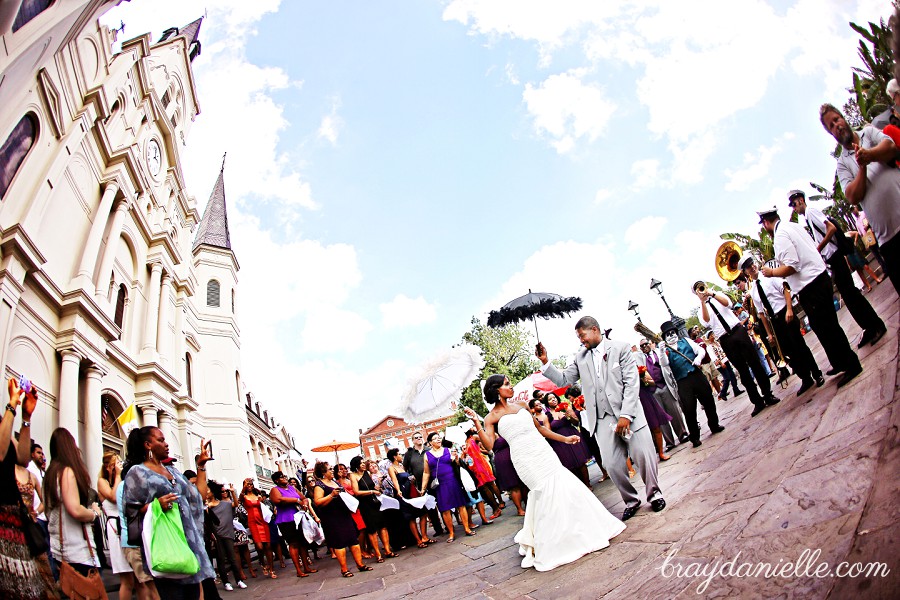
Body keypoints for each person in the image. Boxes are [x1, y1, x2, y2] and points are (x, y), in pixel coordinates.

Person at [464, 375, 625, 571]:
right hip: (524, 459)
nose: (511, 386)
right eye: (506, 384)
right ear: (496, 389)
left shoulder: (522, 405)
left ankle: (578, 530)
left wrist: (564, 440)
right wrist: (477, 423)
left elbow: (540, 429)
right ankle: (553, 542)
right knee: (544, 492)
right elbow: (489, 445)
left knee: (562, 483)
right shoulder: (491, 418)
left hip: (543, 451)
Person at [538, 316, 665, 521]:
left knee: (644, 455)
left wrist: (626, 414)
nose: (581, 340)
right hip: (602, 419)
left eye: (583, 335)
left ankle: (655, 494)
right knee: (612, 464)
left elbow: (632, 384)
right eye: (579, 337)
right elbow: (564, 380)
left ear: (595, 330)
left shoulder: (621, 348)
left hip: (629, 413)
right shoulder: (580, 357)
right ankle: (631, 500)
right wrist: (545, 362)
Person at [759, 207, 863, 388]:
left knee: (828, 327)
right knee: (821, 326)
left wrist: (772, 272)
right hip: (817, 280)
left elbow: (792, 266)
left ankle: (851, 364)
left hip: (811, 286)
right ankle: (839, 362)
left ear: (766, 222)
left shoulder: (781, 235)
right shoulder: (793, 226)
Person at [122, 427, 215, 600]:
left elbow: (198, 496)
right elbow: (131, 510)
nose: (166, 444)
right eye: (161, 440)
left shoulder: (173, 471)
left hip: (188, 544)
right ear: (148, 445)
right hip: (166, 544)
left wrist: (201, 466)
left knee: (194, 595)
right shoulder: (137, 472)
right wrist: (155, 505)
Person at [788, 189, 887, 348]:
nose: (794, 208)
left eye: (794, 204)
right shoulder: (808, 217)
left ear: (800, 200)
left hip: (835, 257)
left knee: (852, 294)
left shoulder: (811, 212)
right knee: (849, 296)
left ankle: (875, 325)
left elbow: (831, 228)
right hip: (832, 260)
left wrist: (819, 248)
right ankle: (868, 327)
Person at [820, 103, 900, 294]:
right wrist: (862, 166)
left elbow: (890, 146)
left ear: (843, 117)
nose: (836, 125)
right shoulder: (842, 164)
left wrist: (869, 155)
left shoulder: (869, 133)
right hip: (888, 240)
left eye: (836, 119)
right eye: (831, 125)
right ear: (831, 133)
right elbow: (852, 196)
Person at [1, 378, 57, 600]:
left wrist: (26, 416)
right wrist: (12, 405)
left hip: (13, 519)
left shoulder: (4, 419)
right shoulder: (6, 415)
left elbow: (23, 458)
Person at [741, 256, 824, 397]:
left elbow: (786, 289)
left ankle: (817, 374)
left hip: (785, 313)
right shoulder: (754, 290)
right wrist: (769, 334)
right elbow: (761, 314)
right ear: (745, 272)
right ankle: (805, 378)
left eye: (752, 264)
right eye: (748, 267)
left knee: (800, 346)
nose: (752, 267)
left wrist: (790, 309)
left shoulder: (769, 275)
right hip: (774, 322)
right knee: (788, 352)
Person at [696, 282, 779, 416]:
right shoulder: (701, 309)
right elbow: (706, 321)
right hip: (725, 339)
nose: (701, 291)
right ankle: (757, 401)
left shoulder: (717, 295)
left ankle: (768, 394)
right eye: (698, 290)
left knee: (755, 363)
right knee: (743, 371)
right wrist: (702, 301)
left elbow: (728, 303)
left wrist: (712, 294)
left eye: (701, 287)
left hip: (738, 330)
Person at [44, 428, 104, 579]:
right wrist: (94, 513)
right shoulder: (67, 472)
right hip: (77, 552)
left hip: (59, 550)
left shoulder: (49, 475)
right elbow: (75, 510)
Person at [657, 321, 724, 445]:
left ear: (676, 333)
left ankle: (714, 425)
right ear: (665, 338)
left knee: (708, 400)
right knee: (689, 410)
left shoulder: (686, 341)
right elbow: (664, 364)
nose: (671, 336)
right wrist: (661, 351)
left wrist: (698, 358)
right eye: (668, 335)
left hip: (696, 375)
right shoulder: (666, 350)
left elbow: (701, 350)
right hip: (683, 382)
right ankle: (694, 436)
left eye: (672, 333)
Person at [311, 462, 371, 578]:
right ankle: (344, 569)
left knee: (353, 540)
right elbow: (318, 502)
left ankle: (360, 564)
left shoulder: (335, 482)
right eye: (329, 469)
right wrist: (331, 495)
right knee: (340, 544)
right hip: (332, 518)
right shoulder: (319, 485)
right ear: (323, 472)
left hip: (344, 515)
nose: (332, 471)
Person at [418, 432, 475, 542]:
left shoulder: (448, 450)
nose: (438, 440)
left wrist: (457, 459)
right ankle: (451, 533)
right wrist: (423, 488)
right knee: (445, 509)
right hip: (440, 484)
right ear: (430, 442)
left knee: (461, 505)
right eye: (435, 439)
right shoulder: (427, 455)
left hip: (452, 480)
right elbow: (426, 472)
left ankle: (467, 528)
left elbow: (457, 464)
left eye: (439, 438)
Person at [98, 451, 139, 599]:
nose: (120, 466)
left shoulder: (123, 481)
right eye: (117, 463)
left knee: (138, 576)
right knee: (126, 578)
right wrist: (117, 476)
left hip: (127, 526)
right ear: (109, 467)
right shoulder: (102, 481)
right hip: (115, 528)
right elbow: (114, 497)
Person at [635, 339, 689, 450]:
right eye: (642, 346)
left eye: (646, 344)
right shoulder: (640, 359)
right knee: (661, 417)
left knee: (674, 411)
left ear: (650, 344)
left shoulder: (658, 353)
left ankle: (682, 434)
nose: (644, 346)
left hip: (664, 385)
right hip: (652, 390)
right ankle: (669, 441)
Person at [269, 471, 317, 577]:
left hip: (298, 517)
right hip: (286, 520)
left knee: (303, 543)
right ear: (276, 480)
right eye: (281, 477)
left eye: (285, 476)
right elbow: (279, 500)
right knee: (293, 543)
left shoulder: (292, 488)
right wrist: (296, 500)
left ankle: (306, 567)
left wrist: (304, 503)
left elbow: (303, 498)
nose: (284, 478)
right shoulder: (275, 490)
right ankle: (298, 570)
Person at [349, 456, 396, 561]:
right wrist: (372, 492)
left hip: (375, 502)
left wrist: (378, 486)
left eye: (363, 462)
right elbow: (356, 492)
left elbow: (372, 486)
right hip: (365, 505)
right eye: (361, 463)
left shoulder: (366, 473)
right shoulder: (353, 476)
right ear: (356, 465)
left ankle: (388, 550)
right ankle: (378, 554)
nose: (363, 464)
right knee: (372, 529)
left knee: (382, 526)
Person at [541, 393, 591, 486]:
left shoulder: (566, 408)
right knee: (569, 465)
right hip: (560, 442)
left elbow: (576, 422)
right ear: (546, 402)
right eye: (550, 399)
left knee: (581, 462)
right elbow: (548, 432)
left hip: (572, 436)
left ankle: (588, 484)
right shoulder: (547, 416)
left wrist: (569, 416)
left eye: (554, 398)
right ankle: (579, 486)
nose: (553, 400)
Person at [205, 481, 247, 591]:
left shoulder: (226, 504)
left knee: (232, 558)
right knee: (221, 559)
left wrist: (233, 493)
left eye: (208, 490)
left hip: (228, 534)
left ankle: (239, 580)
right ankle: (226, 582)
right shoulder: (207, 507)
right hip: (216, 535)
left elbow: (236, 504)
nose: (206, 492)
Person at [402, 430, 445, 536]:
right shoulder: (409, 454)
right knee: (430, 508)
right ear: (412, 441)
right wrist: (409, 475)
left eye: (420, 437)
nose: (419, 438)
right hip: (421, 484)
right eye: (416, 438)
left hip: (434, 481)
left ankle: (448, 526)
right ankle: (438, 529)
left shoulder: (429, 450)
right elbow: (405, 468)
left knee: (442, 503)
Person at [387, 448, 432, 547]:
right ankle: (418, 541)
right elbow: (394, 480)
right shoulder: (391, 468)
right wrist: (398, 490)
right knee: (410, 517)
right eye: (399, 454)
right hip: (403, 494)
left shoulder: (402, 466)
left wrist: (412, 480)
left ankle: (424, 536)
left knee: (423, 512)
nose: (401, 456)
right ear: (394, 456)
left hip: (412, 492)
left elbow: (407, 478)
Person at [239, 478, 275, 578]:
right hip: (253, 522)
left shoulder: (258, 495)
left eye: (250, 484)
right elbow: (240, 499)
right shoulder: (244, 496)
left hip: (262, 521)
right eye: (247, 484)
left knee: (267, 545)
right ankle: (263, 563)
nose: (249, 486)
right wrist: (243, 487)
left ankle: (271, 569)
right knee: (259, 546)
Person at [463, 430, 502, 517]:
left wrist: (480, 449)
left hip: (481, 464)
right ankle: (496, 506)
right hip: (473, 467)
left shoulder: (474, 437)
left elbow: (487, 442)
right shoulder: (464, 443)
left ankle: (497, 506)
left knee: (488, 485)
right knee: (484, 488)